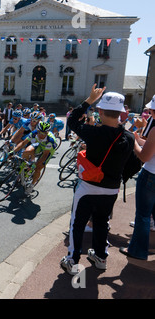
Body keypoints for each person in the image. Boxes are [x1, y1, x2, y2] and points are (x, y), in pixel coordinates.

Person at [60, 85, 135, 275]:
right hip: (111, 189)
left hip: (88, 187)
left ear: (100, 110)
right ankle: (101, 257)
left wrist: (88, 100)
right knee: (102, 222)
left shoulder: (93, 132)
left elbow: (72, 120)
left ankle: (73, 260)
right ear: (121, 112)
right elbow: (133, 164)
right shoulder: (128, 137)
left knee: (78, 223)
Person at [120, 97, 155, 260]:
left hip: (151, 175)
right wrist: (138, 138)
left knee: (143, 215)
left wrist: (134, 142)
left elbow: (144, 156)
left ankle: (137, 251)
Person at [9, 121, 57, 195]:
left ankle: (32, 185)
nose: (41, 134)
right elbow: (23, 143)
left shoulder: (50, 140)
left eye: (44, 133)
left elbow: (44, 155)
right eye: (40, 132)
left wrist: (35, 164)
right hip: (40, 145)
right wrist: (13, 151)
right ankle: (26, 168)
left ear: (47, 133)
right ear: (37, 130)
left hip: (48, 150)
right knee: (26, 151)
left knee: (38, 167)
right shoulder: (34, 133)